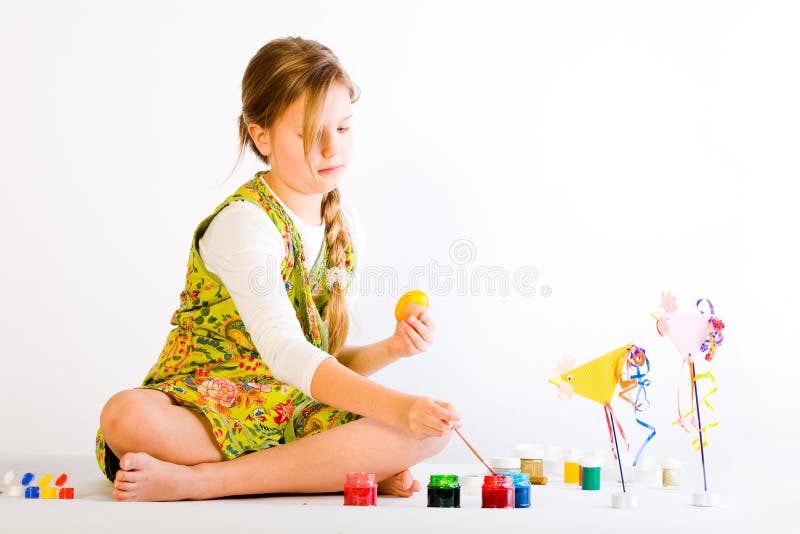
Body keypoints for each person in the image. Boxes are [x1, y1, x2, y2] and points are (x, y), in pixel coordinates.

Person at [95, 36, 460, 502]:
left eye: (343, 128)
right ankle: (312, 469)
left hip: (288, 405)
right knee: (127, 416)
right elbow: (289, 353)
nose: (332, 149)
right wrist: (399, 408)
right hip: (211, 404)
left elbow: (319, 358)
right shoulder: (245, 223)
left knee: (432, 432)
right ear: (260, 135)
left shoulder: (345, 229)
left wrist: (391, 349)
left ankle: (205, 478)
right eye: (310, 134)